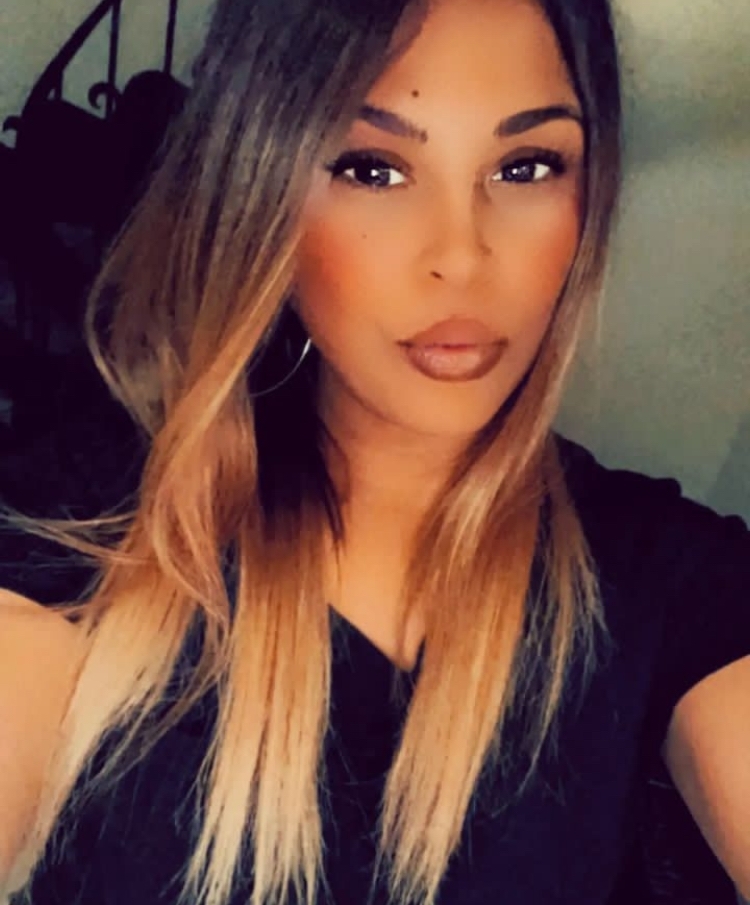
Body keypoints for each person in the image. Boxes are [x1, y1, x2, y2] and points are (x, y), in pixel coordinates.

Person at [1, 0, 749, 903]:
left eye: (525, 166)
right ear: (261, 192)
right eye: (373, 168)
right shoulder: (86, 526)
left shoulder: (664, 577)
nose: (461, 257)